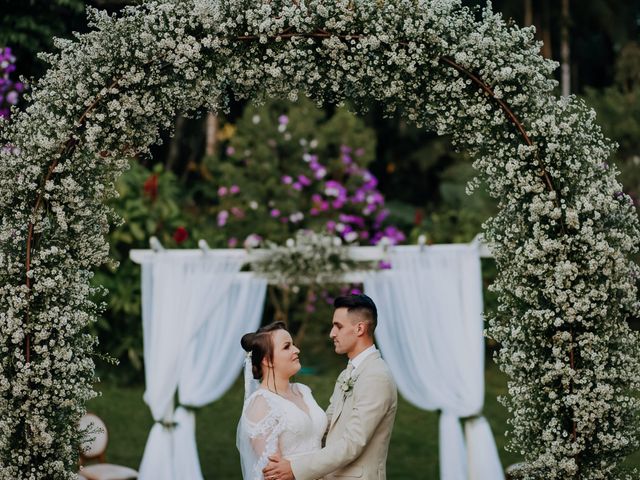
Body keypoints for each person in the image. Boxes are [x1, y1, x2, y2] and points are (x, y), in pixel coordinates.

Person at [263, 294, 398, 480]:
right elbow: (326, 427)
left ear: (360, 328)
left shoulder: (376, 376)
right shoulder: (347, 373)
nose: (332, 333)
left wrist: (295, 468)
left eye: (338, 326)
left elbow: (352, 443)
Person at [237, 322, 328, 480]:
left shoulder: (303, 390)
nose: (296, 350)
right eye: (287, 347)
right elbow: (274, 473)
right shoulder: (261, 405)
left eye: (293, 345)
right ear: (267, 360)